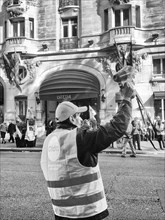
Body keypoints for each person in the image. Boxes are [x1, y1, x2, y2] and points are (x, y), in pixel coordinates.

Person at [40, 82, 135, 220]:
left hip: (62, 212)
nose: (81, 118)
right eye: (78, 116)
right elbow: (117, 128)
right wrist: (126, 99)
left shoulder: (48, 140)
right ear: (72, 119)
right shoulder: (80, 138)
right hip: (87, 212)